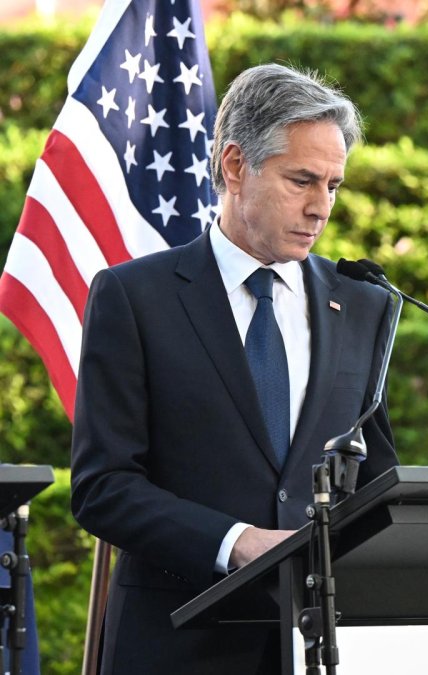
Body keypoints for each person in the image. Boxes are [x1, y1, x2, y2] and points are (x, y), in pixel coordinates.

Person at [70, 64, 399, 674]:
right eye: (302, 180)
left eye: (333, 185)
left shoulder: (363, 303)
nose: (321, 207)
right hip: (177, 646)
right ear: (235, 165)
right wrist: (236, 542)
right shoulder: (134, 297)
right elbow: (103, 487)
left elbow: (378, 479)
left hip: (320, 648)